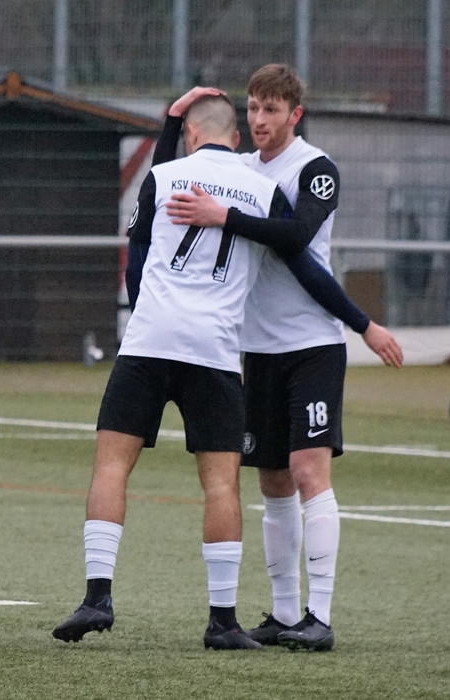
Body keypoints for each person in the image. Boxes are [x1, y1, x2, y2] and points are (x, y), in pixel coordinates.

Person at [51, 92, 356, 651]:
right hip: (214, 350)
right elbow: (301, 256)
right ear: (236, 139)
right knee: (220, 483)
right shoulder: (262, 189)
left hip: (149, 342)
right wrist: (362, 323)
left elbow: (136, 254)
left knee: (112, 467)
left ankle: (97, 596)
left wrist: (143, 310)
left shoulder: (163, 177)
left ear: (190, 135)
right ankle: (222, 621)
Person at [166, 65, 404, 651]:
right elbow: (172, 174)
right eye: (252, 108)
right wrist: (174, 120)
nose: (259, 120)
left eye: (271, 110)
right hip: (257, 347)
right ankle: (283, 613)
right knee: (272, 480)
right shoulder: (242, 170)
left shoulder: (315, 169)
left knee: (307, 471)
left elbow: (296, 237)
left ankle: (319, 616)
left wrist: (363, 326)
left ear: (294, 114)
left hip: (313, 345)